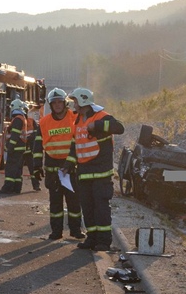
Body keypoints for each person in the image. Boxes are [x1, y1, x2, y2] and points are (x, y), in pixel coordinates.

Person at [64, 88, 124, 251]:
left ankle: (104, 241)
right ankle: (92, 238)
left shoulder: (101, 116)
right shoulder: (78, 120)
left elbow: (119, 128)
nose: (73, 104)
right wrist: (69, 163)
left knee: (101, 207)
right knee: (87, 207)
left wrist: (97, 125)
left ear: (83, 101)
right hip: (84, 173)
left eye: (75, 101)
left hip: (100, 173)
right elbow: (75, 144)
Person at [33, 88, 84, 240]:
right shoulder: (43, 122)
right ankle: (56, 232)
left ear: (65, 103)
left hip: (71, 168)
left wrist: (70, 162)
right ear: (50, 104)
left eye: (59, 102)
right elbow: (37, 146)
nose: (57, 105)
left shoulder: (75, 118)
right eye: (54, 103)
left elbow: (79, 142)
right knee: (55, 204)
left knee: (74, 203)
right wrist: (36, 166)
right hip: (52, 169)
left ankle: (75, 230)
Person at [0, 99, 28, 194]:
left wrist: (10, 147)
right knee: (18, 169)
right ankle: (16, 188)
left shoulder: (18, 119)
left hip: (15, 148)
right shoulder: (21, 118)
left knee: (10, 168)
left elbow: (14, 135)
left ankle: (7, 188)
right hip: (20, 148)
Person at [23, 101, 41, 191]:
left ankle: (36, 185)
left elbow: (36, 135)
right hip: (21, 149)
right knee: (16, 169)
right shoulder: (16, 121)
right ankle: (15, 187)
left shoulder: (31, 121)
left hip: (29, 150)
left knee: (32, 168)